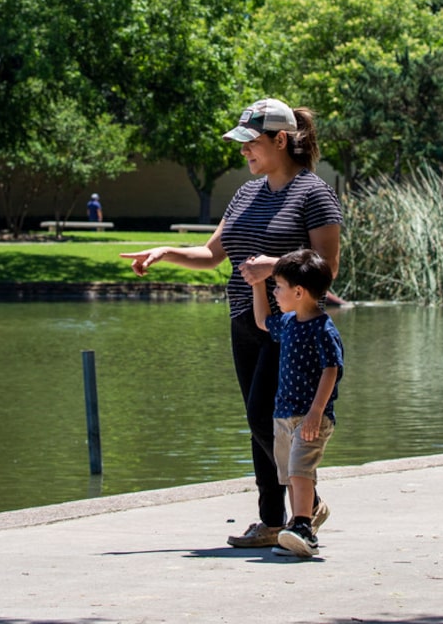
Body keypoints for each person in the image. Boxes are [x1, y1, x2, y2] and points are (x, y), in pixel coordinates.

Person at [119, 98, 341, 549]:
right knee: (257, 419)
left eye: (251, 144)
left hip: (291, 327)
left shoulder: (314, 192)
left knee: (268, 417)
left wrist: (273, 266)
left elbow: (327, 268)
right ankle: (272, 520)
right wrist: (165, 253)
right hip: (246, 319)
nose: (244, 153)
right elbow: (212, 254)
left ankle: (307, 503)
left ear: (281, 140)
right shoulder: (246, 194)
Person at [250, 248, 343, 559]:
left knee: (301, 471)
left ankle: (304, 526)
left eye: (278, 287)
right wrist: (256, 285)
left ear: (299, 292)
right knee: (291, 473)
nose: (275, 292)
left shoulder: (323, 328)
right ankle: (296, 526)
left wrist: (316, 412)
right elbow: (262, 321)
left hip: (310, 415)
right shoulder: (289, 322)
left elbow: (331, 369)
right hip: (284, 415)